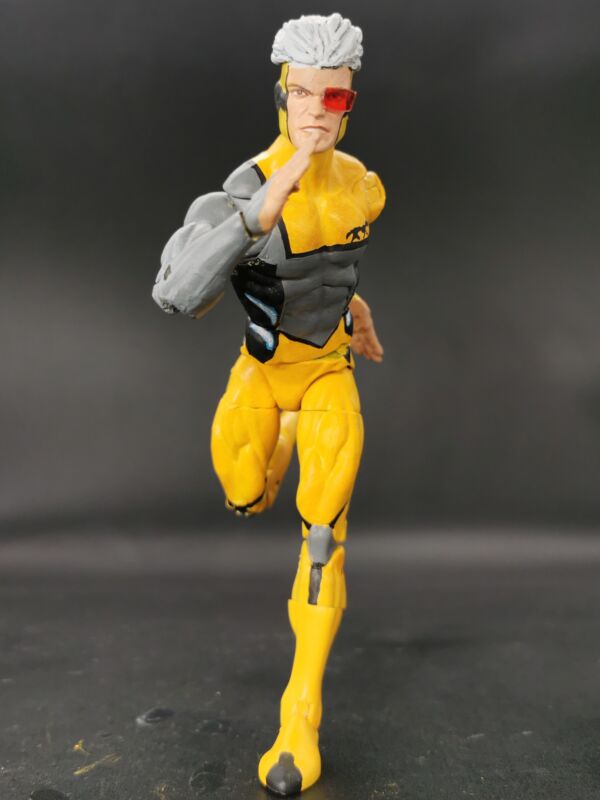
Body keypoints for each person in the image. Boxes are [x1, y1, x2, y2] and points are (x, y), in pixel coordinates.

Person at [152, 12, 386, 795]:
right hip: (262, 373)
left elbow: (334, 272)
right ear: (282, 94)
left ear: (350, 101)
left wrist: (357, 314)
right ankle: (272, 450)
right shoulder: (238, 194)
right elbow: (178, 295)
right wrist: (262, 209)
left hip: (326, 374)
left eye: (335, 97)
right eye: (305, 94)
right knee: (245, 495)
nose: (319, 111)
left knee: (323, 536)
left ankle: (299, 715)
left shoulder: (362, 186)